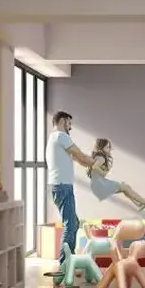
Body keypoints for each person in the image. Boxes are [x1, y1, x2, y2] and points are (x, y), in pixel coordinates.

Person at [45, 111, 97, 264]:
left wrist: (92, 165)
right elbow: (81, 155)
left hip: (58, 186)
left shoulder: (54, 138)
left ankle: (70, 258)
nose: (70, 127)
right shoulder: (61, 136)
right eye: (69, 123)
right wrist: (99, 163)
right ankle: (65, 264)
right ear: (62, 121)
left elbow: (78, 159)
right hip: (62, 186)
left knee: (74, 223)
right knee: (70, 225)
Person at [87, 138, 145, 214]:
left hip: (97, 185)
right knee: (125, 187)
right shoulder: (101, 158)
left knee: (125, 187)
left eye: (109, 147)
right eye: (107, 147)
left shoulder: (97, 157)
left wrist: (104, 171)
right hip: (100, 185)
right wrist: (105, 172)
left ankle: (139, 204)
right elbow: (94, 167)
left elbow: (93, 170)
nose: (109, 149)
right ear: (101, 147)